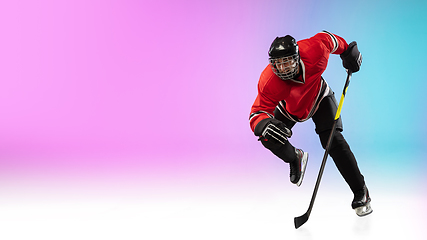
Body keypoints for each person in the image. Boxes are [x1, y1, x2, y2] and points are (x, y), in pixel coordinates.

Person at [249, 31, 372, 216]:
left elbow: (329, 39)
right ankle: (294, 158)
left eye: (287, 61)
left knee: (333, 142)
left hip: (319, 98)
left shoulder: (315, 51)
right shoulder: (268, 81)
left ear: (298, 57)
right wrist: (263, 124)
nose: (283, 68)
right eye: (278, 64)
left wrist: (348, 52)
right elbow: (257, 112)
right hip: (289, 109)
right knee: (268, 137)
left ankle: (361, 191)